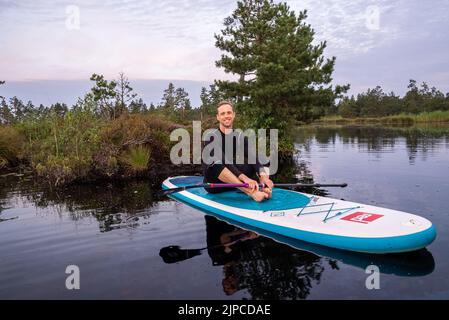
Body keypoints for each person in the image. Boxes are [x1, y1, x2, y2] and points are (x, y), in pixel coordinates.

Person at [203, 100, 274, 202]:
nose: (226, 116)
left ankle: (265, 187)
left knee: (262, 158)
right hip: (216, 184)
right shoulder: (210, 137)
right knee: (215, 162)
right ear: (218, 117)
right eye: (222, 114)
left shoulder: (239, 136)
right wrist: (245, 179)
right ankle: (252, 193)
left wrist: (263, 177)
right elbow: (224, 161)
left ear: (234, 115)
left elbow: (253, 157)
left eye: (229, 112)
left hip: (235, 181)